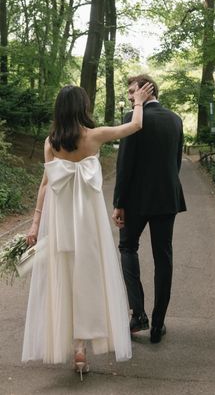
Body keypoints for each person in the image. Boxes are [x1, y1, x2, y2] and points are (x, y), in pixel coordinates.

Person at [22, 82, 153, 380]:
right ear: (82, 108)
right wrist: (139, 101)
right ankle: (83, 344)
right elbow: (134, 126)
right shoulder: (94, 136)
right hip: (88, 224)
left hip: (60, 223)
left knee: (64, 279)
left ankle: (75, 346)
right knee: (89, 278)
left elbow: (45, 185)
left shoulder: (50, 142)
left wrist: (34, 224)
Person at [112, 74, 186, 344]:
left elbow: (125, 164)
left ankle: (139, 314)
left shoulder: (132, 118)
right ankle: (158, 324)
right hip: (167, 199)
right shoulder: (176, 120)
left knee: (128, 248)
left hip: (135, 201)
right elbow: (176, 162)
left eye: (133, 91)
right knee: (163, 257)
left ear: (146, 90)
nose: (131, 96)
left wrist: (119, 202)